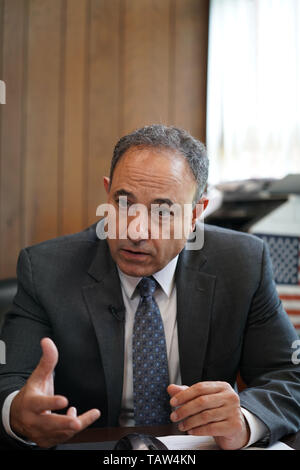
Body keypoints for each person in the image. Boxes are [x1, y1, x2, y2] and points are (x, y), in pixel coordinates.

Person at [0, 124, 299, 450]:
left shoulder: (242, 263)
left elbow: (288, 374)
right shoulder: (46, 269)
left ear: (196, 214)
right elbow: (10, 382)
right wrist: (18, 412)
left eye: (163, 211)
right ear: (108, 193)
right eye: (124, 202)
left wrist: (243, 420)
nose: (136, 230)